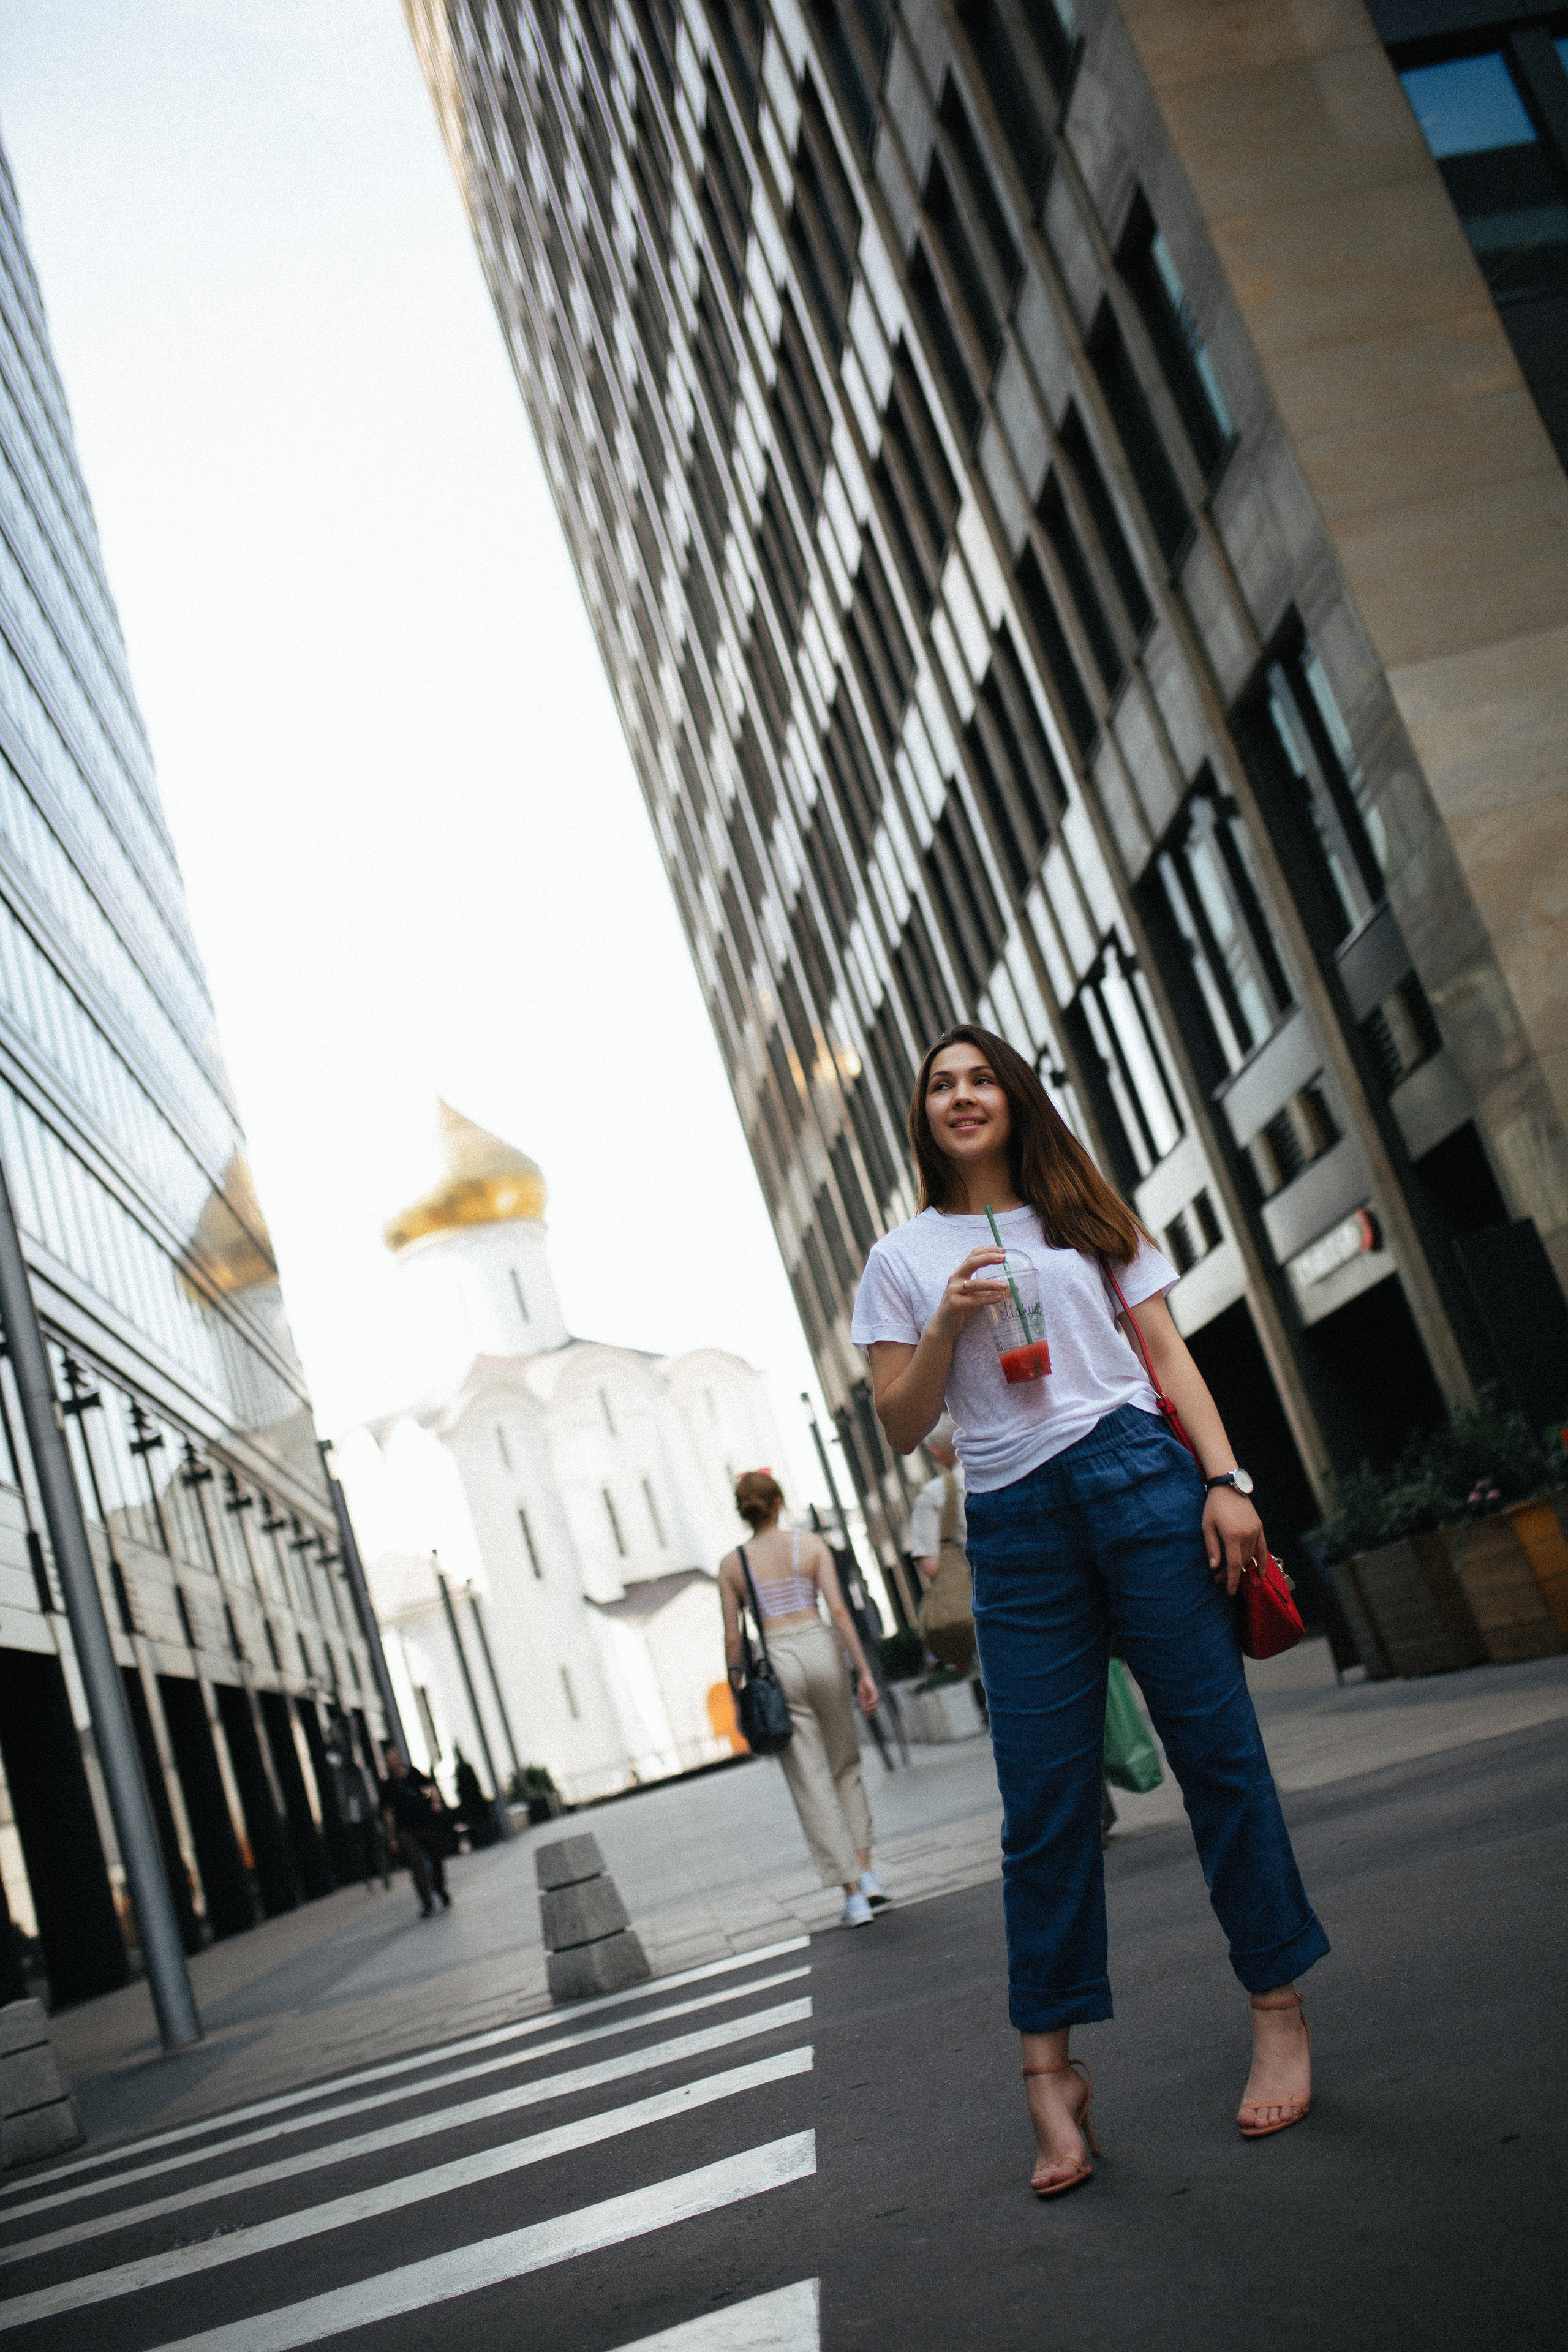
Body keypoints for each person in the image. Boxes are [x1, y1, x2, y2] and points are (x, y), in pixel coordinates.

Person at [851, 1025, 1327, 2196]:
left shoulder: (1084, 1211)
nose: (961, 1096)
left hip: (1136, 1481)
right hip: (1013, 1525)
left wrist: (1226, 1482)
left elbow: (1163, 1348)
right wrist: (954, 1321)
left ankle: (1277, 2007)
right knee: (1045, 1807)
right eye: (940, 1084)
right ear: (924, 1116)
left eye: (979, 1080)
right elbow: (902, 1423)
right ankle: (1049, 2074)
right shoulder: (902, 1257)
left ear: (1012, 1100)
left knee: (1219, 1756)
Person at [720, 1471, 891, 1928]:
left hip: (777, 1657)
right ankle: (869, 1873)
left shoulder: (733, 1565)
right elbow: (838, 1610)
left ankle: (852, 1895)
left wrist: (738, 1690)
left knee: (810, 1782)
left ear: (745, 1510)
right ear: (778, 1502)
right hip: (821, 1647)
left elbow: (734, 1636)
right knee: (846, 1765)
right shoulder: (810, 1546)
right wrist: (863, 1669)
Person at [380, 1747, 451, 1918]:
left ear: (400, 1759)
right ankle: (427, 1903)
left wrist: (436, 1802)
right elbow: (388, 1813)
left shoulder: (414, 1774)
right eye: (390, 1761)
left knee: (436, 1859)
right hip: (406, 1830)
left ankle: (440, 1888)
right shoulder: (388, 1786)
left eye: (395, 1759)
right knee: (416, 1864)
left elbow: (431, 1786)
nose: (393, 1763)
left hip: (425, 1823)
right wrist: (392, 1838)